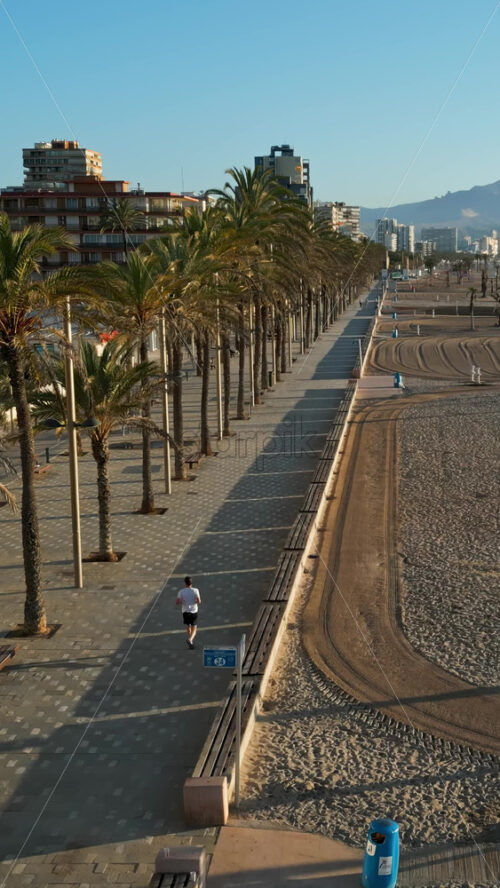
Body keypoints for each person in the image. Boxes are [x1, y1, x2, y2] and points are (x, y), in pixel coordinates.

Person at [176, 576, 201, 649]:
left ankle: (191, 641)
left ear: (185, 583)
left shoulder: (181, 591)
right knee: (195, 628)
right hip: (194, 611)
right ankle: (190, 639)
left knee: (188, 625)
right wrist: (194, 601)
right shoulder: (196, 590)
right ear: (191, 582)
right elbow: (199, 601)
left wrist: (183, 601)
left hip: (185, 612)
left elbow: (177, 602)